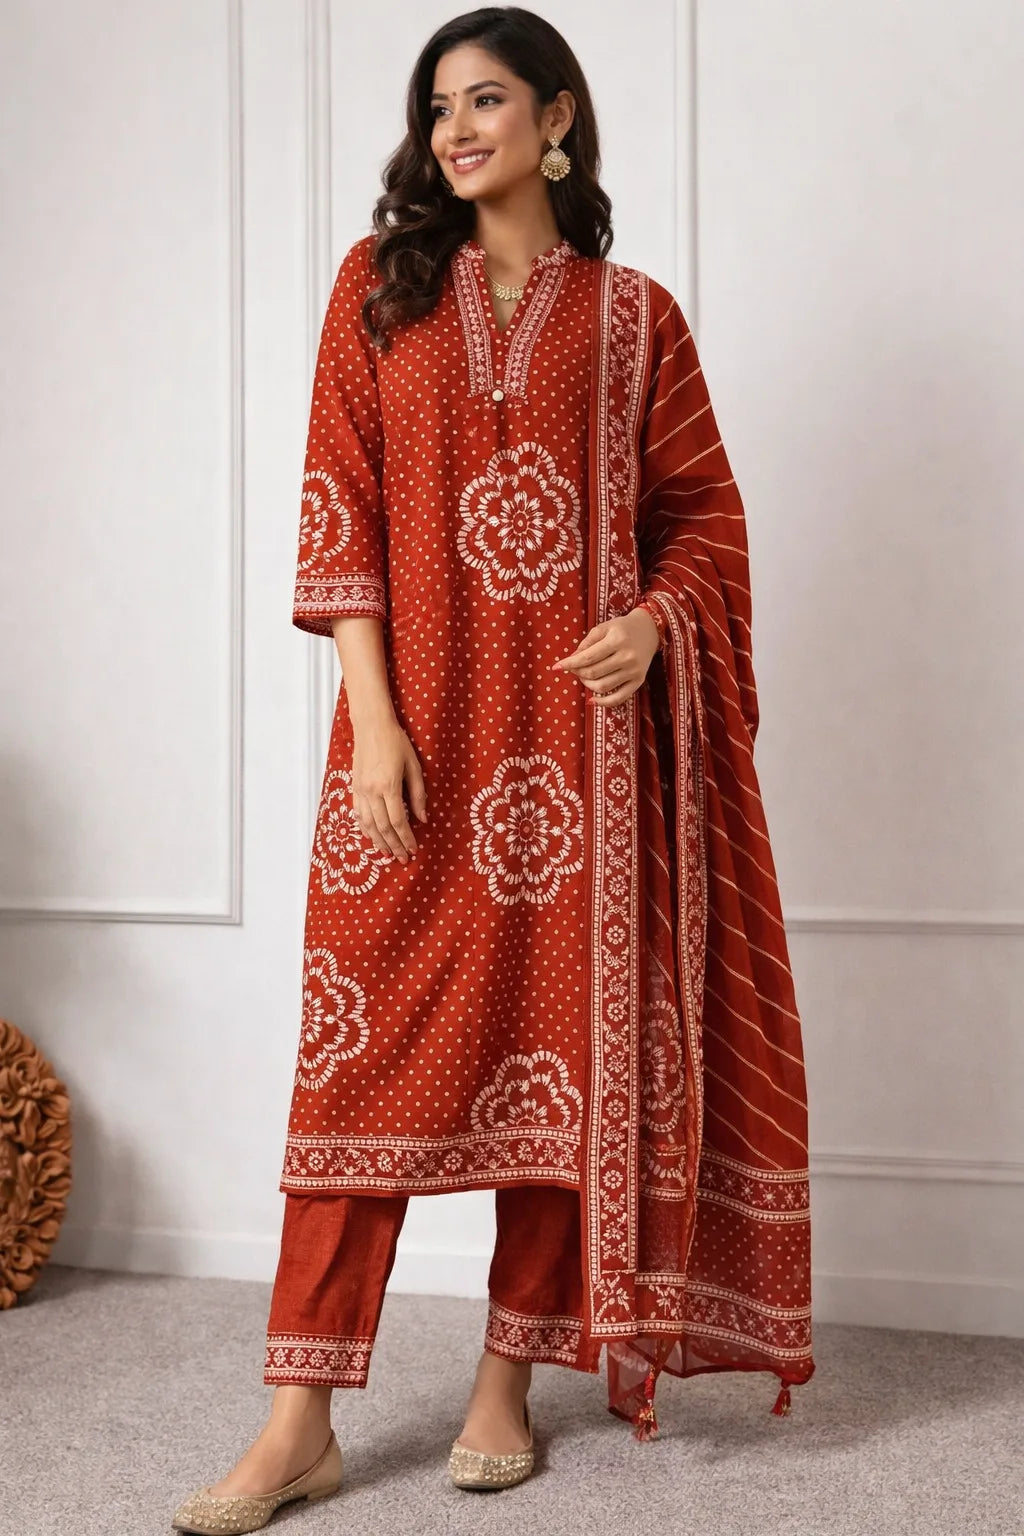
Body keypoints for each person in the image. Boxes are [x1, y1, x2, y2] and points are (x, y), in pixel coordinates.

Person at [172, 5, 815, 1530]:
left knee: (561, 1066)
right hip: (418, 739)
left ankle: (504, 1385)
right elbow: (338, 502)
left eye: (485, 100)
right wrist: (374, 721)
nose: (455, 130)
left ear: (556, 117)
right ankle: (298, 1424)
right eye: (437, 107)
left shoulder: (637, 317)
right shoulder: (380, 291)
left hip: (585, 758)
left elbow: (703, 517)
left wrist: (657, 623)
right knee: (357, 1072)